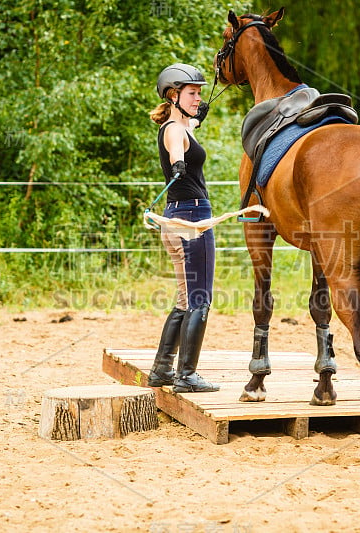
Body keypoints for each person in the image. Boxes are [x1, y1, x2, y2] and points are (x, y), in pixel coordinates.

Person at [146, 63, 219, 393]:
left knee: (185, 297)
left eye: (200, 92)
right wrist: (177, 163)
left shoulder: (182, 124)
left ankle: (162, 369)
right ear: (173, 95)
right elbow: (178, 145)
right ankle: (186, 375)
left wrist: (197, 113)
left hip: (174, 218)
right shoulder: (175, 130)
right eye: (192, 92)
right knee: (200, 298)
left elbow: (190, 124)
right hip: (192, 219)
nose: (198, 97)